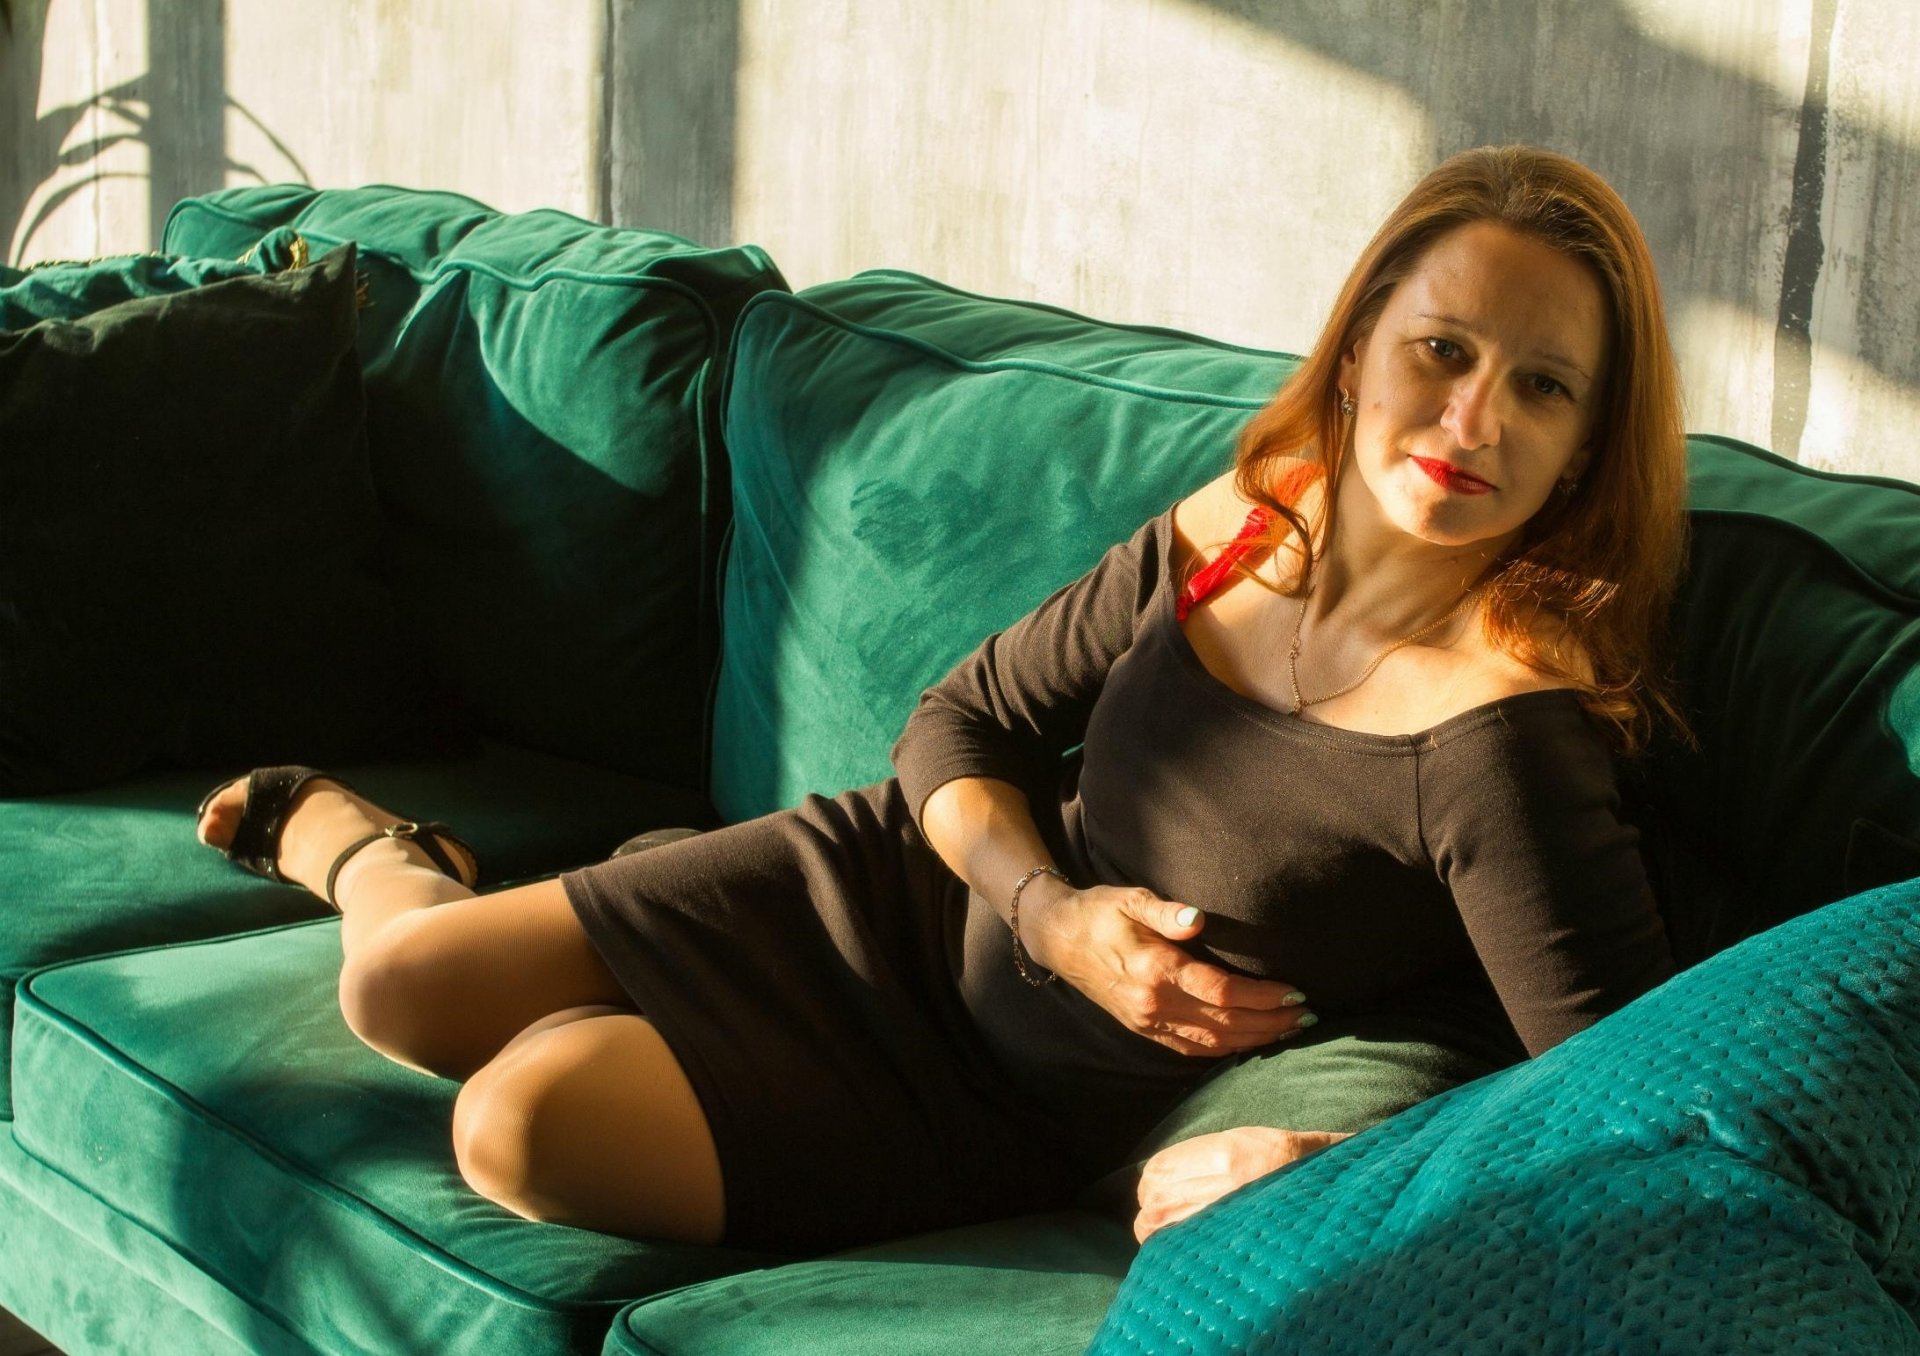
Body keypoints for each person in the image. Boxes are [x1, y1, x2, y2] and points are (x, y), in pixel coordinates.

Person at [195, 144, 1690, 1254]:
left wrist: (1326, 1162)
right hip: (903, 893)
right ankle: (383, 854)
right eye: (1444, 349)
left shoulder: (1502, 738)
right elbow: (959, 725)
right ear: (1359, 349)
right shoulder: (1246, 520)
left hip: (987, 1103)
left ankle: (623, 962)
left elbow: (1637, 1106)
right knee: (396, 987)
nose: (1472, 419)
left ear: (1587, 445)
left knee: (517, 1124)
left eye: (1543, 387)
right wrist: (1053, 914)